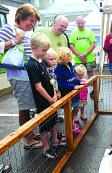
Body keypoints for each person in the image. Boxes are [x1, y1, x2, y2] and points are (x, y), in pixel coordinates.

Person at [0, 3, 42, 149]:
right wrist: (14, 40)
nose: (32, 24)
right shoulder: (9, 29)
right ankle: (28, 140)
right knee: (24, 107)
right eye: (31, 20)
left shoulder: (27, 32)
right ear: (21, 17)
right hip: (18, 76)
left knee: (29, 105)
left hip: (28, 75)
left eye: (34, 22)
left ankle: (29, 133)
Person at [26, 32, 65, 160]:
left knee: (53, 120)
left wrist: (55, 93)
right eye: (43, 50)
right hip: (42, 101)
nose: (45, 53)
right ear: (33, 47)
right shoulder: (32, 64)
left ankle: (55, 141)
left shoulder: (41, 60)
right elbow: (38, 86)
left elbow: (50, 79)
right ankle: (46, 148)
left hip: (51, 98)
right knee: (44, 125)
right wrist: (50, 99)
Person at [54, 47, 84, 135]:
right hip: (67, 93)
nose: (66, 60)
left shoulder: (70, 64)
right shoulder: (58, 69)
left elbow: (74, 76)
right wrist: (73, 86)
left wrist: (79, 81)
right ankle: (70, 127)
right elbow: (60, 83)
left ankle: (72, 124)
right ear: (60, 59)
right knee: (68, 111)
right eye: (64, 59)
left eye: (68, 58)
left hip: (74, 93)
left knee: (76, 108)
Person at [69, 16, 96, 98]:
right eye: (79, 23)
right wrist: (79, 55)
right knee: (78, 75)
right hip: (78, 59)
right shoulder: (73, 33)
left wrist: (85, 54)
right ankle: (80, 93)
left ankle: (93, 91)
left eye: (82, 23)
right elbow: (71, 45)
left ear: (85, 22)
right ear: (76, 23)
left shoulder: (89, 31)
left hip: (89, 58)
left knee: (90, 74)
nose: (80, 25)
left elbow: (93, 44)